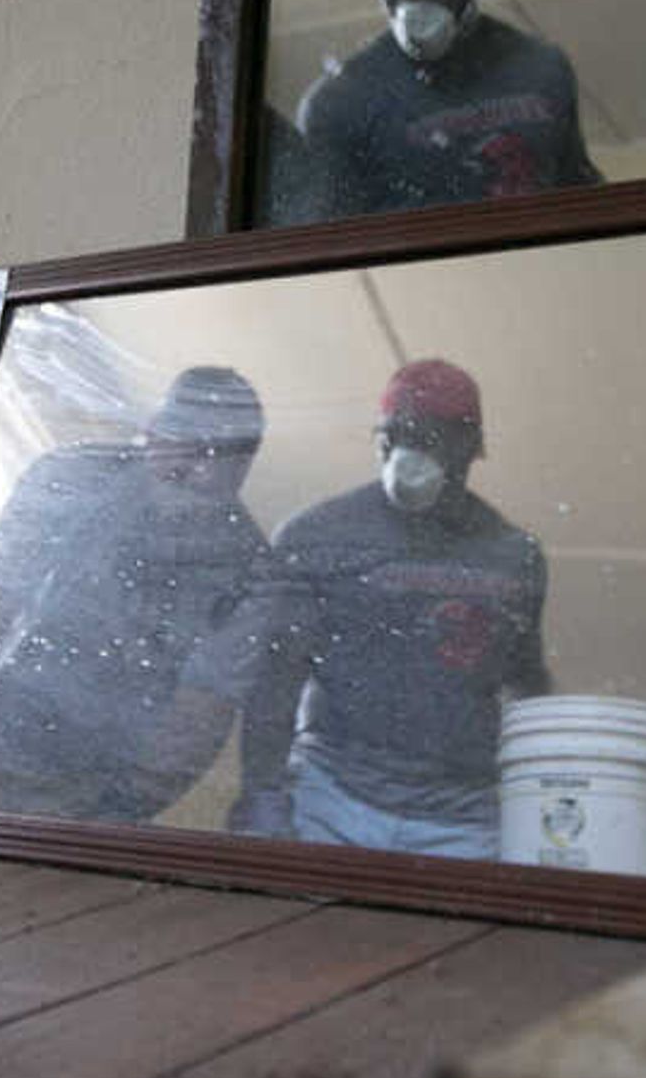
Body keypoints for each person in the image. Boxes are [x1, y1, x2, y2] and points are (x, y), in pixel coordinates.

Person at [187, 358, 552, 860]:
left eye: (430, 439)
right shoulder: (318, 538)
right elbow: (277, 681)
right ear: (379, 440)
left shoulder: (515, 557)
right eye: (395, 437)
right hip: (331, 798)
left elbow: (528, 683)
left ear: (469, 450)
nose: (408, 455)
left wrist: (554, 786)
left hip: (463, 817)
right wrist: (263, 796)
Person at [0, 366, 269, 824]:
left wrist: (118, 811)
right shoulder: (73, 478)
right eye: (187, 445)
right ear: (152, 432)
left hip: (95, 785)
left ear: (246, 466)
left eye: (225, 455)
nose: (200, 469)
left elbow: (202, 713)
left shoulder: (249, 570)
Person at [288, 0, 604, 216]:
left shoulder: (540, 70)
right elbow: (328, 241)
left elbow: (581, 197)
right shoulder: (343, 102)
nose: (413, 9)